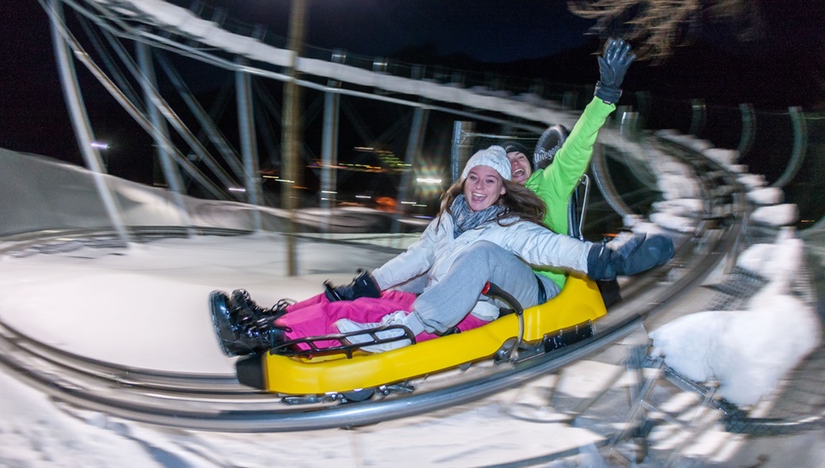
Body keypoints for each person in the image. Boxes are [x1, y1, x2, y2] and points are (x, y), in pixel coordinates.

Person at [209, 146, 674, 357]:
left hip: (482, 308)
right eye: (475, 177)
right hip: (445, 298)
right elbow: (415, 258)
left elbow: (549, 246)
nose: (480, 187)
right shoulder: (449, 218)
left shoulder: (510, 225)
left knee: (480, 257)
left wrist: (610, 259)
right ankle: (269, 324)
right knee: (362, 299)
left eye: (491, 181)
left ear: (501, 190)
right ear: (465, 180)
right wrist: (366, 282)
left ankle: (279, 338)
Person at [503, 37, 635, 303]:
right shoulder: (498, 200)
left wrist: (605, 95)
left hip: (546, 282)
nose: (516, 163)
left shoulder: (551, 180)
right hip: (510, 281)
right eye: (507, 162)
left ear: (530, 162)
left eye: (520, 157)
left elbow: (577, 144)